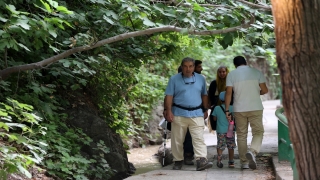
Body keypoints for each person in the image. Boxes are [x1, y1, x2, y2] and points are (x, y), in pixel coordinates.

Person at [164, 57, 213, 171]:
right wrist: (168, 110)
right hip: (179, 113)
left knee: (198, 138)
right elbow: (169, 96)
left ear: (194, 67)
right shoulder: (174, 79)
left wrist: (205, 109)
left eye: (190, 66)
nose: (188, 69)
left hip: (197, 113)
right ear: (181, 67)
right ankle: (178, 160)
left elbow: (204, 95)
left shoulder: (201, 79)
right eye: (185, 66)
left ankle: (201, 160)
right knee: (177, 139)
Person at [224, 56, 268, 170]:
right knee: (258, 131)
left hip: (239, 109)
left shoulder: (232, 74)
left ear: (235, 65)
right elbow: (265, 90)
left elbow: (228, 93)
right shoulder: (256, 72)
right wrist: (255, 92)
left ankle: (244, 162)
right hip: (255, 107)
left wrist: (227, 110)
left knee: (241, 135)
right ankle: (253, 151)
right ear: (246, 62)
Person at [211, 91, 236, 168]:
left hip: (221, 131)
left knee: (220, 145)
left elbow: (214, 119)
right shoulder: (232, 108)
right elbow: (235, 117)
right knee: (231, 146)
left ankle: (219, 160)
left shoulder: (217, 108)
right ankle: (231, 161)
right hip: (230, 130)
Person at [207, 66, 231, 132]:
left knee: (229, 124)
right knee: (217, 124)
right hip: (217, 107)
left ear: (227, 72)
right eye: (220, 72)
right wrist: (209, 104)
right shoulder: (214, 83)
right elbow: (210, 95)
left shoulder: (230, 82)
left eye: (223, 72)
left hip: (229, 106)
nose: (222, 73)